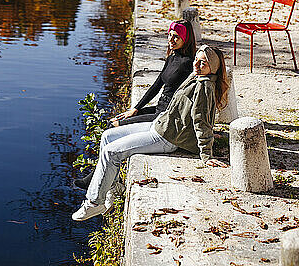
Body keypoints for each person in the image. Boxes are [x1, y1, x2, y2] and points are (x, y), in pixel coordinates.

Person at [72, 45, 229, 221]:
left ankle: (94, 203)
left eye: (203, 63)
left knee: (112, 152)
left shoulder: (204, 86)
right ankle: (114, 187)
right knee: (107, 136)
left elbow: (202, 121)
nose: (197, 65)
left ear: (213, 68)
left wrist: (206, 154)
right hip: (159, 124)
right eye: (196, 60)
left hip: (166, 137)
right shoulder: (196, 76)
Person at [73, 20, 195, 191]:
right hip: (158, 108)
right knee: (114, 122)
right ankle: (101, 176)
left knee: (114, 126)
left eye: (176, 37)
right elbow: (156, 85)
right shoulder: (172, 57)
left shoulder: (189, 63)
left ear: (186, 39)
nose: (171, 40)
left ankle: (98, 179)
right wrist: (135, 108)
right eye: (170, 35)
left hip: (166, 116)